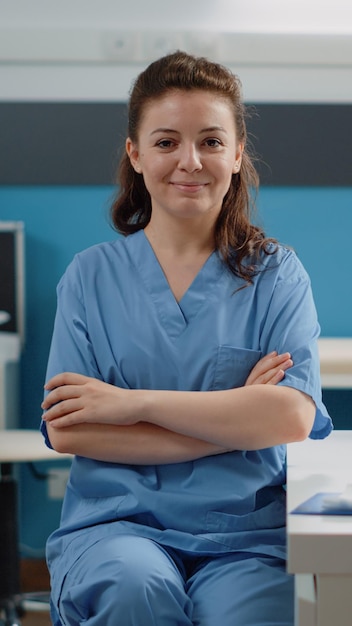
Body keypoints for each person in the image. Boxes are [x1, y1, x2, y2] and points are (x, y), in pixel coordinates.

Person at [41, 50, 332, 626]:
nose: (190, 162)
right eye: (167, 141)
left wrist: (132, 405)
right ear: (136, 153)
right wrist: (235, 421)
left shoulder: (275, 274)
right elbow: (71, 429)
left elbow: (292, 418)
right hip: (116, 528)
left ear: (237, 153)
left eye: (212, 141)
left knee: (248, 614)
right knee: (133, 589)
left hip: (245, 537)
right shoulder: (90, 276)